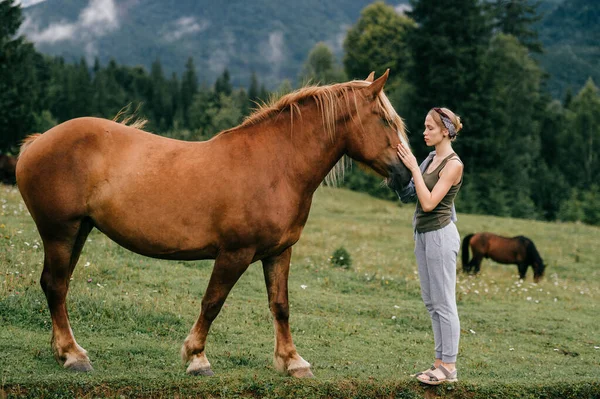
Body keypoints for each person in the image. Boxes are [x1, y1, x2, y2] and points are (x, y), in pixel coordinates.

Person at [393, 107, 464, 385]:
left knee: (445, 303)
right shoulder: (431, 158)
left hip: (441, 236)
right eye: (425, 127)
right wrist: (395, 175)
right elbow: (410, 192)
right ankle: (438, 361)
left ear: (445, 131)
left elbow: (429, 202)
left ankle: (449, 367)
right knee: (431, 302)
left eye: (430, 128)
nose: (424, 133)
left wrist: (412, 167)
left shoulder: (453, 164)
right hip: (422, 234)